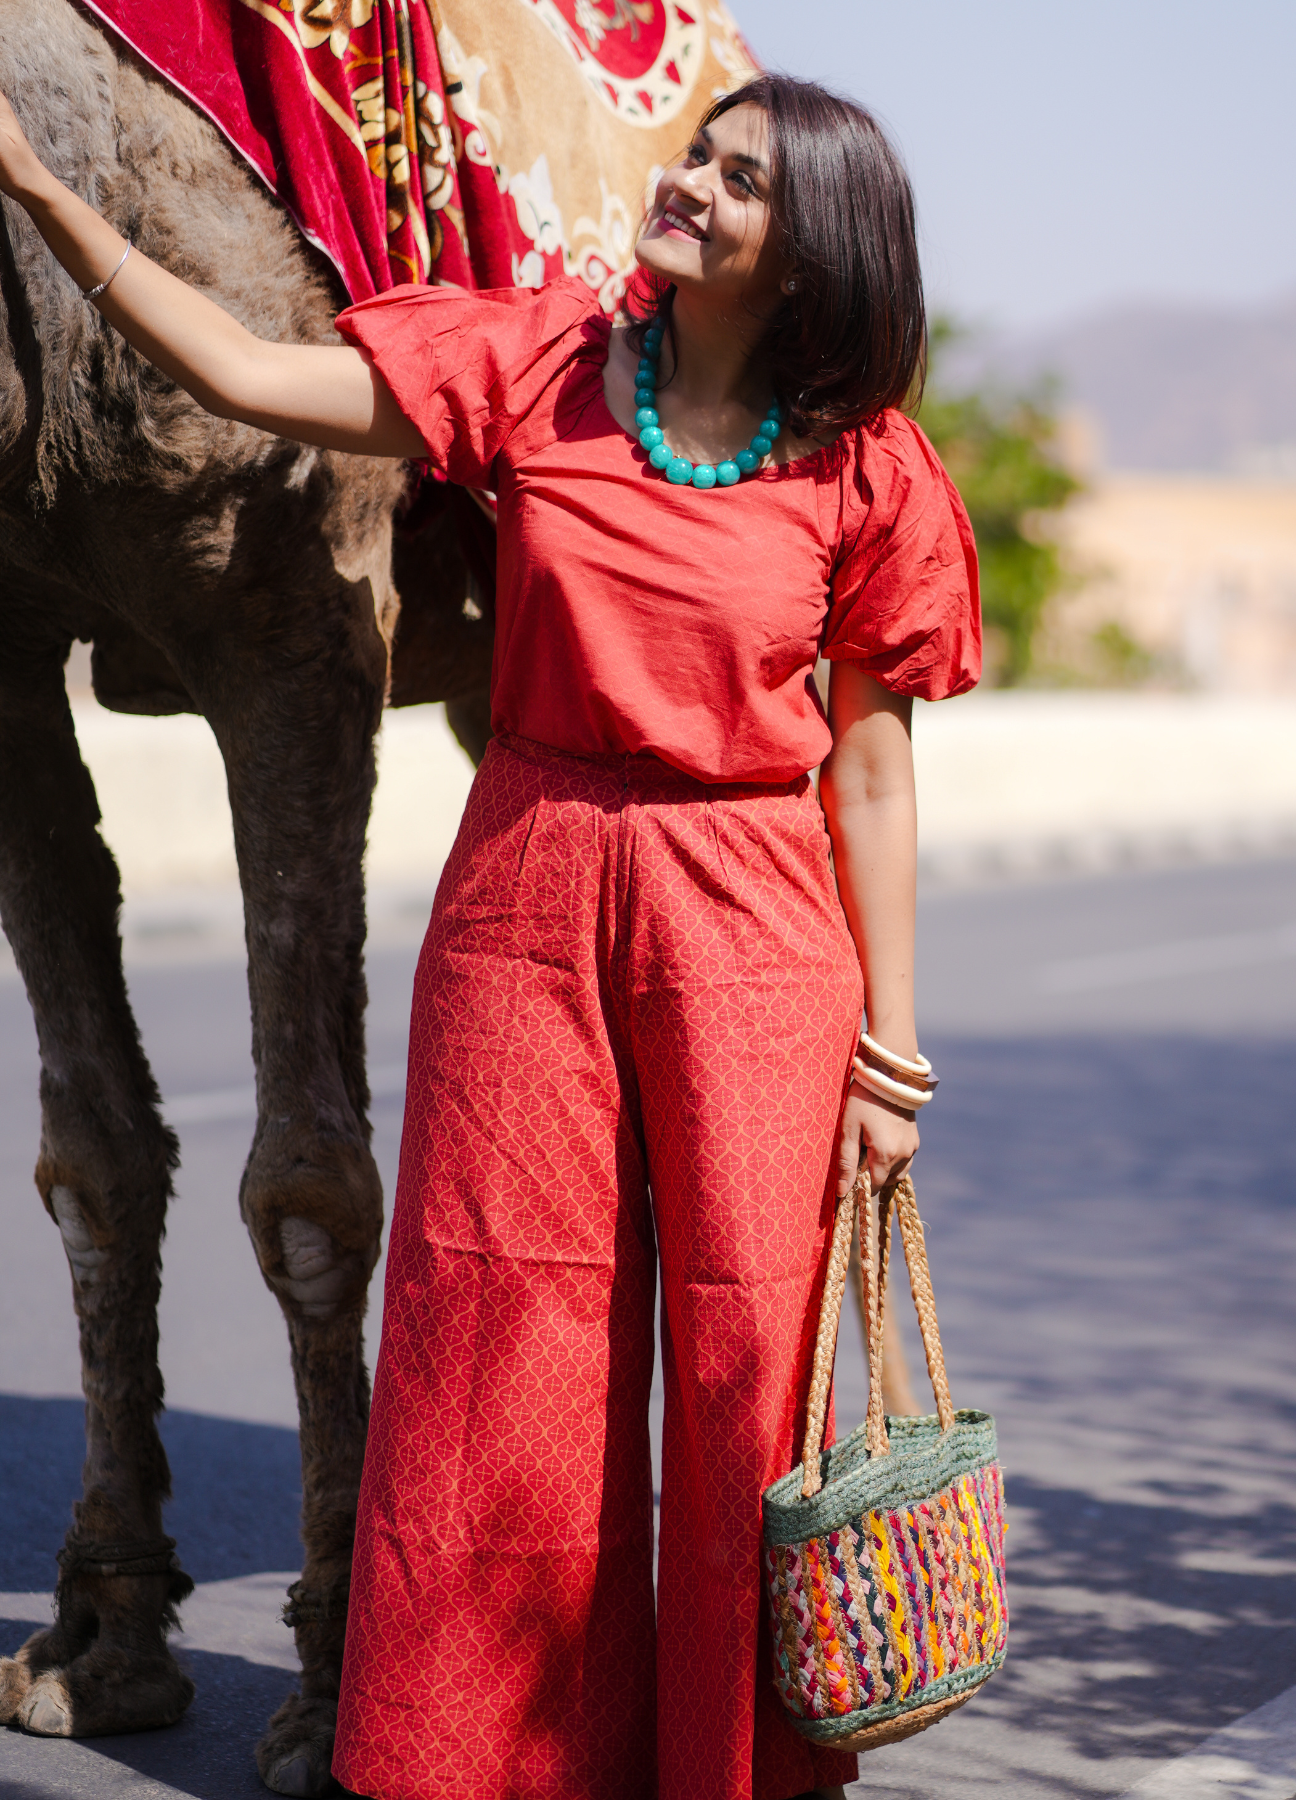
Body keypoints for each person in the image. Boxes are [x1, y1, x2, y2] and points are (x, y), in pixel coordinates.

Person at [0, 69, 979, 1800]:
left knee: (750, 1353)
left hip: (754, 916)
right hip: (526, 888)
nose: (683, 182)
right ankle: (481, 1766)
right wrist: (47, 198)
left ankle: (724, 1767)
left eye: (734, 178)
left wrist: (892, 1056)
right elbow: (244, 376)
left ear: (807, 251)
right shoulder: (535, 365)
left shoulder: (868, 477)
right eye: (693, 152)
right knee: (494, 1347)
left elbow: (877, 782)